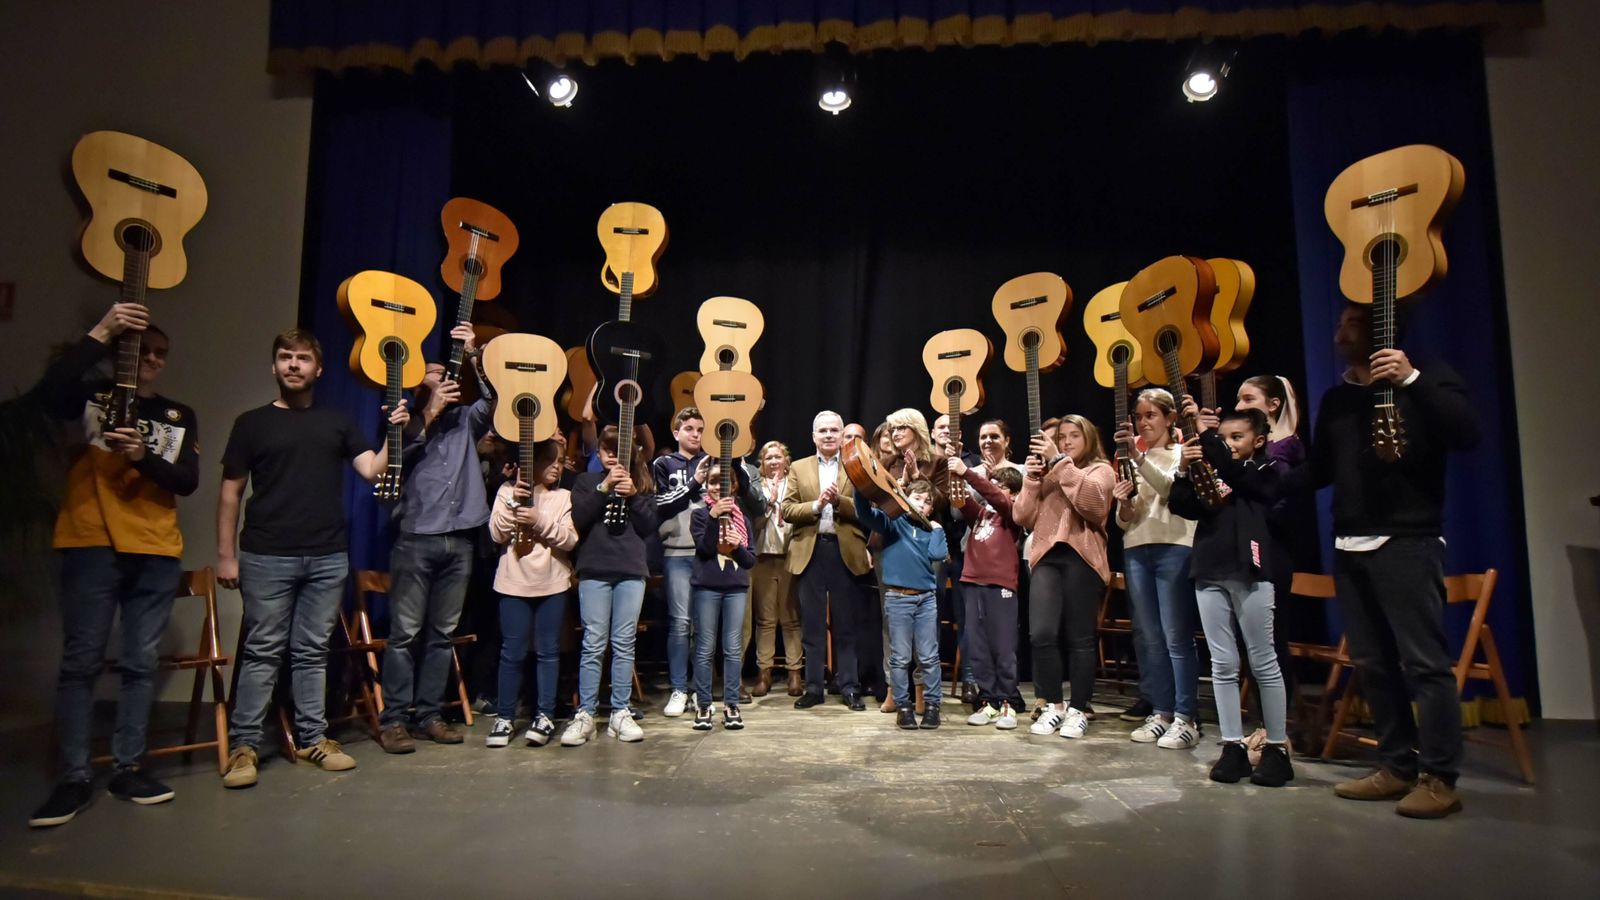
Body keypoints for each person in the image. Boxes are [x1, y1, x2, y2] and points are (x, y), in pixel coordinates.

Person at [1293, 303, 1480, 818]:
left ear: (1381, 327)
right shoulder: (1337, 400)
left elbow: (1467, 433)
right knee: (1372, 664)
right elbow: (1319, 471)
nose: (1339, 333)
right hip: (1350, 542)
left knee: (1425, 664)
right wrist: (1252, 476)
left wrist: (1412, 379)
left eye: (1351, 323)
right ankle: (1397, 765)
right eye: (1338, 323)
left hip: (1407, 540)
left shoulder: (1428, 376)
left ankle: (1439, 778)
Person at [28, 303, 199, 827]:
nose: (153, 359)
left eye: (160, 353)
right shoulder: (89, 396)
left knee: (140, 664)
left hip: (154, 548)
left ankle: (128, 768)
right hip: (91, 542)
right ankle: (74, 777)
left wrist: (143, 457)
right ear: (125, 353)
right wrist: (104, 330)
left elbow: (187, 480)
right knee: (81, 663)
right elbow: (48, 394)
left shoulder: (177, 414)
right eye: (143, 350)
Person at [216, 329, 409, 788]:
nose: (293, 365)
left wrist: (395, 431)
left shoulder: (336, 422)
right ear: (274, 366)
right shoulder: (251, 423)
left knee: (311, 652)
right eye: (285, 357)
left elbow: (373, 470)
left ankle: (312, 738)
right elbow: (230, 494)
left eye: (302, 358)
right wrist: (225, 556)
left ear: (318, 369)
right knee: (263, 650)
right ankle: (244, 746)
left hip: (326, 556)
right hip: (266, 554)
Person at [376, 324, 490, 753]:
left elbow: (495, 401)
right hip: (416, 537)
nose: (443, 378)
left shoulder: (465, 421)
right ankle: (394, 720)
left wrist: (474, 355)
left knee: (442, 634)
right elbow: (393, 460)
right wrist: (427, 412)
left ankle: (429, 715)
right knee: (405, 634)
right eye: (433, 373)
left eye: (445, 373)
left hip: (459, 539)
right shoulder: (401, 421)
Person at [1169, 405, 1293, 786]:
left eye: (1237, 437)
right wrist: (1184, 469)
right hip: (1209, 570)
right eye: (1224, 438)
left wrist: (1208, 439)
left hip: (1251, 572)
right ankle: (1232, 746)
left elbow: (1246, 482)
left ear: (1258, 441)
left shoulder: (1266, 471)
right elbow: (1182, 504)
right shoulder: (1214, 471)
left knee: (1263, 660)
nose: (1229, 445)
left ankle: (1276, 748)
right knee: (1222, 664)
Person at [1111, 388, 1203, 750]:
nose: (1143, 422)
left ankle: (1186, 716)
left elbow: (1170, 490)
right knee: (1150, 637)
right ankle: (1162, 712)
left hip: (1175, 546)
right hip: (1137, 548)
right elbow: (1124, 520)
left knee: (1176, 635)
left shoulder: (1182, 454)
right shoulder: (1133, 460)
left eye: (1151, 415)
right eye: (1139, 416)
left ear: (1170, 418)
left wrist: (1137, 456)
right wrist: (1123, 505)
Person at [1015, 415, 1114, 741]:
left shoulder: (1100, 470)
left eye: (1074, 435)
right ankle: (1054, 705)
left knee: (1079, 637)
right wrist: (1032, 480)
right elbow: (1022, 516)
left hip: (1081, 558)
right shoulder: (1048, 474)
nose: (1067, 441)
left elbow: (1093, 506)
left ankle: (1078, 709)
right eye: (1061, 437)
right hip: (1046, 557)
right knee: (1041, 633)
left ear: (1089, 438)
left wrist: (1059, 462)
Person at [564, 425, 658, 745]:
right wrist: (604, 487)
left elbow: (649, 526)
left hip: (631, 569)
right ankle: (586, 714)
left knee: (624, 642)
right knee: (593, 642)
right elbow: (579, 517)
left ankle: (620, 711)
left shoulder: (642, 483)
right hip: (594, 569)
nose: (613, 456)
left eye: (619, 451)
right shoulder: (586, 481)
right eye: (607, 450)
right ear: (600, 452)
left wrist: (634, 497)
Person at [1235, 373, 1311, 756]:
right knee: (1251, 643)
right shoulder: (1252, 450)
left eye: (1248, 399)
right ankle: (1264, 726)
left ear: (1273, 404)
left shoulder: (1286, 448)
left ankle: (1275, 732)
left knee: (1269, 641)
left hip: (1273, 549)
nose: (1239, 407)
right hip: (1249, 548)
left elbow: (1275, 502)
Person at [484, 439, 577, 748]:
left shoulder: (562, 497)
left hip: (551, 582)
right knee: (512, 651)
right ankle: (505, 716)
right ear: (531, 462)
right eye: (551, 460)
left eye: (560, 461)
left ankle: (545, 715)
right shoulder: (507, 491)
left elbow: (569, 540)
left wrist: (539, 520)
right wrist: (514, 505)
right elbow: (497, 533)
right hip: (513, 582)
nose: (557, 466)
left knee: (548, 650)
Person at [783, 411, 875, 710]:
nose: (828, 435)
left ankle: (849, 687)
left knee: (846, 623)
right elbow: (787, 510)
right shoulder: (798, 467)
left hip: (844, 550)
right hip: (810, 550)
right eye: (822, 430)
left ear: (842, 434)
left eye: (834, 430)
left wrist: (838, 502)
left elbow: (867, 511)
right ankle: (813, 687)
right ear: (813, 436)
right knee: (812, 625)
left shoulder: (856, 465)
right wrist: (817, 505)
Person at [856, 479, 948, 729]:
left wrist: (938, 530)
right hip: (898, 598)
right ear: (906, 499)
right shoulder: (893, 523)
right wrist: (860, 487)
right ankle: (903, 706)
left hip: (926, 599)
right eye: (917, 498)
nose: (922, 504)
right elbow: (864, 513)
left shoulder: (931, 530)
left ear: (931, 509)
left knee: (929, 656)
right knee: (899, 657)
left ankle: (932, 706)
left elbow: (938, 554)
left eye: (927, 502)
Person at [948, 455, 1025, 730]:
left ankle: (1008, 701)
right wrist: (953, 473)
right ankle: (989, 700)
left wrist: (967, 473)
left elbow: (997, 498)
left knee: (1003, 647)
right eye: (992, 484)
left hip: (1000, 584)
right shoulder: (981, 515)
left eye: (999, 485)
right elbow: (959, 500)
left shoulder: (1013, 513)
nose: (993, 490)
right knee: (977, 645)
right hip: (972, 582)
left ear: (1013, 492)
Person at [689, 466, 758, 731]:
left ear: (734, 486)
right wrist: (713, 516)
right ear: (706, 484)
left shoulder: (743, 519)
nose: (718, 487)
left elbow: (750, 560)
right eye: (713, 481)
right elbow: (705, 548)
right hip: (707, 587)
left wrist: (738, 546)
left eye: (724, 482)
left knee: (732, 648)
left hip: (735, 588)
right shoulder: (699, 515)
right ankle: (704, 703)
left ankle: (731, 704)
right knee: (705, 647)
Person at [652, 407, 708, 717]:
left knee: (703, 625)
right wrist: (693, 483)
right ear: (676, 433)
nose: (695, 434)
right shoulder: (664, 463)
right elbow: (661, 504)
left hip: (706, 552)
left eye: (700, 429)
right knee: (680, 623)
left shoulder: (711, 461)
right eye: (689, 429)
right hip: (676, 551)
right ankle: (678, 689)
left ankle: (700, 689)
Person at [750, 441, 803, 697]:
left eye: (777, 457)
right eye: (768, 458)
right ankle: (764, 672)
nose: (773, 462)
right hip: (762, 557)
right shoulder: (755, 487)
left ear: (786, 460)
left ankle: (795, 673)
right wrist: (769, 502)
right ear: (762, 463)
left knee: (791, 618)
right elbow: (753, 523)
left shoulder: (794, 484)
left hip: (790, 556)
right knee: (765, 619)